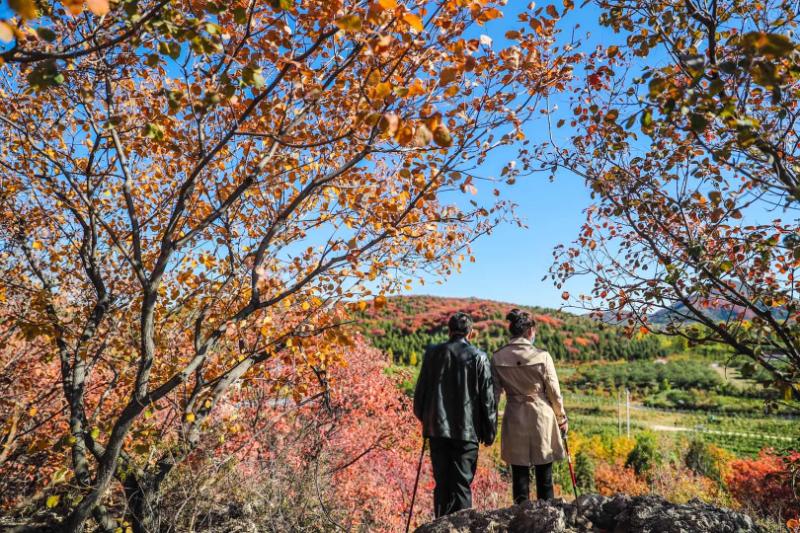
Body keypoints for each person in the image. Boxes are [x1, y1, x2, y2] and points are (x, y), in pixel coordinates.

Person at [413, 312, 497, 517]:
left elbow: (420, 398)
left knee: (442, 486)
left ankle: (439, 527)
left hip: (437, 432)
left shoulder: (432, 354)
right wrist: (489, 433)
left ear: (449, 331)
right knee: (461, 486)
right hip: (467, 434)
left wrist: (428, 421)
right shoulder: (479, 357)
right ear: (471, 333)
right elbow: (487, 400)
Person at [491, 308, 568, 504]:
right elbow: (554, 392)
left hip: (514, 415)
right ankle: (548, 519)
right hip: (541, 416)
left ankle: (520, 519)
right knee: (545, 475)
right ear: (530, 331)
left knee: (519, 476)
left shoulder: (498, 357)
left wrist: (490, 424)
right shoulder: (542, 356)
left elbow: (493, 395)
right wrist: (561, 418)